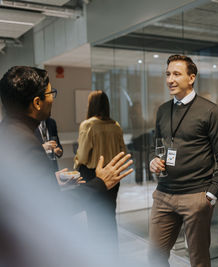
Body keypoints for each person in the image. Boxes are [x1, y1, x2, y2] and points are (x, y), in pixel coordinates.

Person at [0, 66, 133, 266]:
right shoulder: (27, 144)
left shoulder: (8, 133)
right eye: (50, 93)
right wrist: (100, 182)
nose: (53, 98)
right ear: (37, 103)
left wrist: (50, 180)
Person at [149, 55, 218, 267]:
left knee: (199, 260)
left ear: (191, 77)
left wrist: (211, 195)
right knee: (154, 257)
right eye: (168, 74)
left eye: (177, 74)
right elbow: (158, 148)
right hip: (163, 194)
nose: (170, 79)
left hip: (196, 196)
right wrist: (154, 161)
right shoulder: (162, 110)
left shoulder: (211, 112)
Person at [74, 90, 127, 249]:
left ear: (92, 105)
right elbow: (122, 150)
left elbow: (82, 155)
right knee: (109, 216)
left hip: (93, 176)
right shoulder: (115, 125)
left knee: (95, 218)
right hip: (113, 176)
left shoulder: (88, 125)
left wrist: (76, 167)